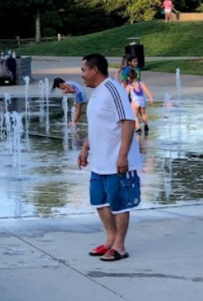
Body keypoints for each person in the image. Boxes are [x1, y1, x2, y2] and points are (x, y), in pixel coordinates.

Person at [77, 53, 141, 262]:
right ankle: (110, 239)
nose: (82, 75)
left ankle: (120, 246)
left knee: (120, 204)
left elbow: (128, 122)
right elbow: (99, 125)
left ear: (94, 70)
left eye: (83, 71)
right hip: (100, 161)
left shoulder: (113, 89)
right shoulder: (96, 93)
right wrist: (86, 147)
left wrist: (123, 157)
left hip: (117, 160)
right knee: (99, 201)